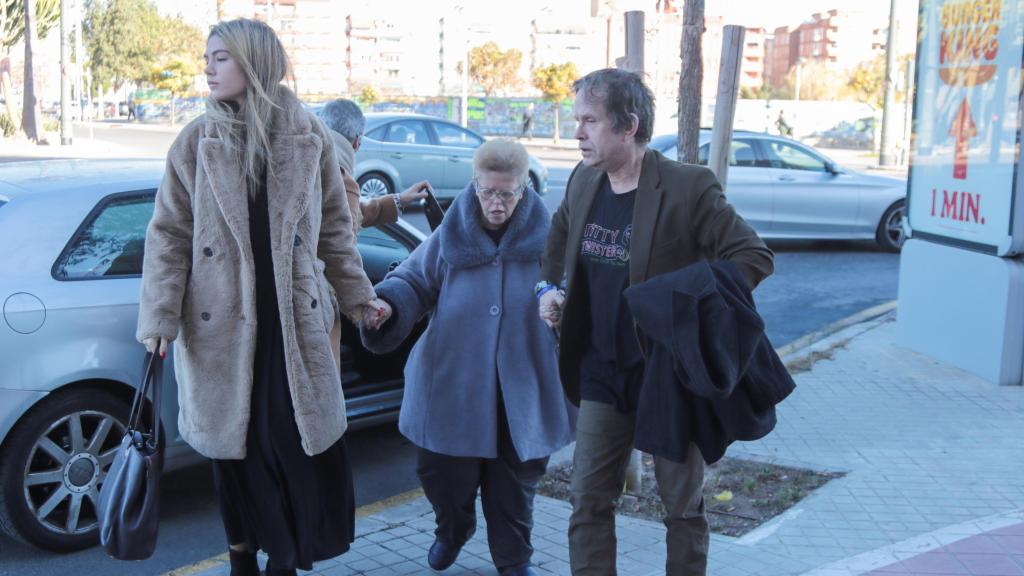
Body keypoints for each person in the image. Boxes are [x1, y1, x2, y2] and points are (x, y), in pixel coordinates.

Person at [136, 18, 391, 576]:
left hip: (292, 322)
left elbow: (333, 234)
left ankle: (284, 556)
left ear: (254, 62)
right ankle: (240, 555)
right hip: (219, 325)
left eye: (220, 56)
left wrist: (358, 297)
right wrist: (159, 316)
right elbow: (169, 234)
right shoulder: (195, 142)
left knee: (289, 443)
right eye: (208, 56)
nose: (207, 67)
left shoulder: (310, 139)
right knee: (234, 449)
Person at [537, 68, 774, 575]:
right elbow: (557, 237)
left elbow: (751, 256)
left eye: (590, 121)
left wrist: (684, 309)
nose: (577, 132)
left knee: (682, 508)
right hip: (601, 372)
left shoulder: (687, 187)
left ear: (629, 126)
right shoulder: (583, 179)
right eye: (576, 119)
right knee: (588, 502)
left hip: (666, 377)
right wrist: (549, 288)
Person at [361, 139, 575, 576]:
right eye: (488, 192)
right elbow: (414, 280)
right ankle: (453, 529)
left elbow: (572, 290)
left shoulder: (549, 237)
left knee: (514, 486)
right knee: (442, 476)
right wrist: (389, 305)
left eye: (507, 193)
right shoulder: (452, 232)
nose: (497, 204)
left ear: (525, 190)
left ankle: (515, 561)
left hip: (522, 389)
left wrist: (564, 305)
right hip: (453, 384)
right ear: (475, 185)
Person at [318, 98, 429, 232]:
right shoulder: (342, 180)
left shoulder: (302, 161)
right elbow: (341, 244)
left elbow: (349, 214)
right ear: (357, 142)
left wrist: (399, 200)